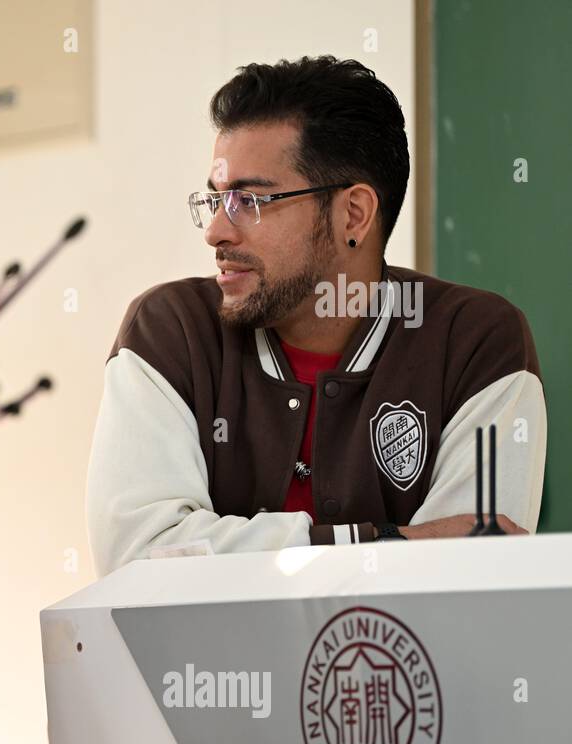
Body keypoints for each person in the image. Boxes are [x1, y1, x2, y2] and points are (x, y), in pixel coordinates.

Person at [87, 55, 545, 576]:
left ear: (353, 213)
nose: (215, 230)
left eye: (251, 200)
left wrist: (232, 550)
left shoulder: (476, 341)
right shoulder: (169, 330)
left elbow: (471, 576)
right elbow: (138, 562)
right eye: (215, 199)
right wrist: (390, 541)